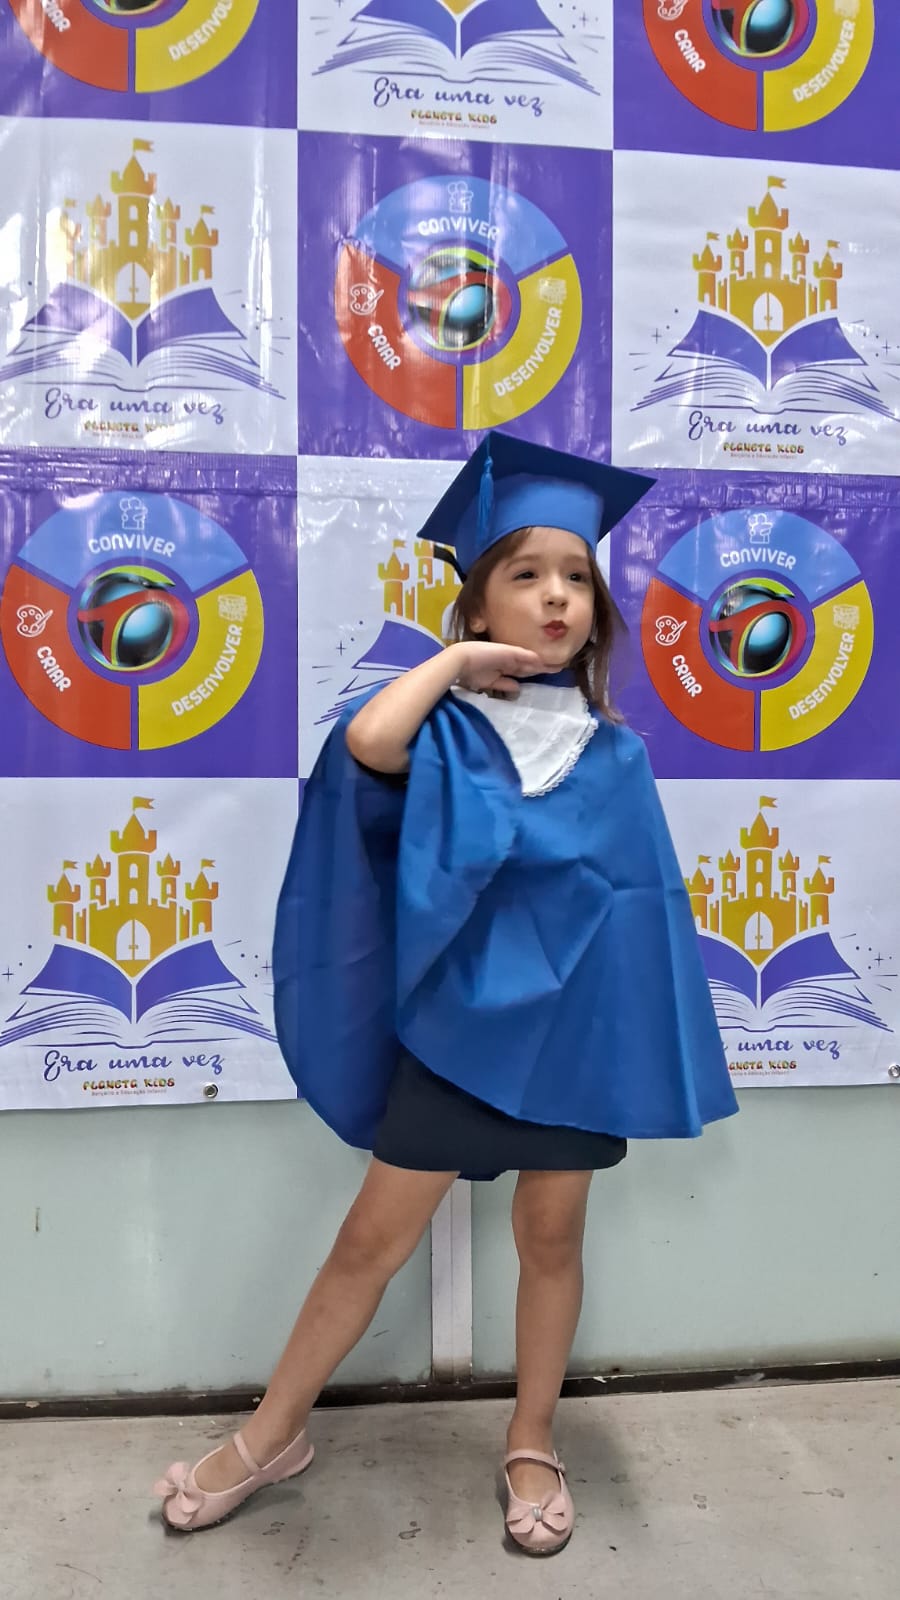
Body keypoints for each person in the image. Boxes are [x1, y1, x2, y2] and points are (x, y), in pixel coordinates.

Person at [154, 431, 739, 1555]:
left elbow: (635, 921)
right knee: (368, 1242)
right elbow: (366, 744)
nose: (557, 596)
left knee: (551, 1237)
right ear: (478, 604)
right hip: (459, 1031)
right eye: (526, 573)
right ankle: (273, 1433)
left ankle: (531, 1437)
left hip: (568, 1044)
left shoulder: (615, 755)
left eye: (576, 578)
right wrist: (453, 665)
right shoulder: (448, 729)